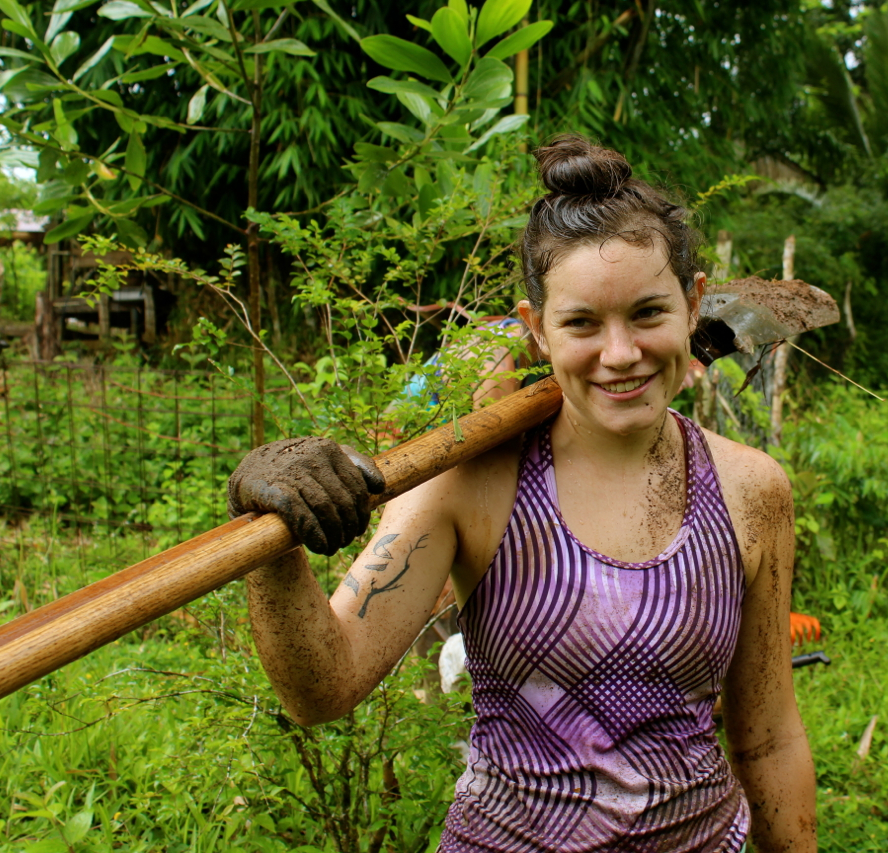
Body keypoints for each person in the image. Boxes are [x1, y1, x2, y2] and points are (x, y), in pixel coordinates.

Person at [230, 135, 817, 853]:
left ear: (693, 307)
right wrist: (274, 543)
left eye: (646, 313)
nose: (620, 352)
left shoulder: (752, 490)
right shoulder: (469, 482)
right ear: (536, 329)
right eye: (581, 323)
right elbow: (322, 685)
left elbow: (768, 739)